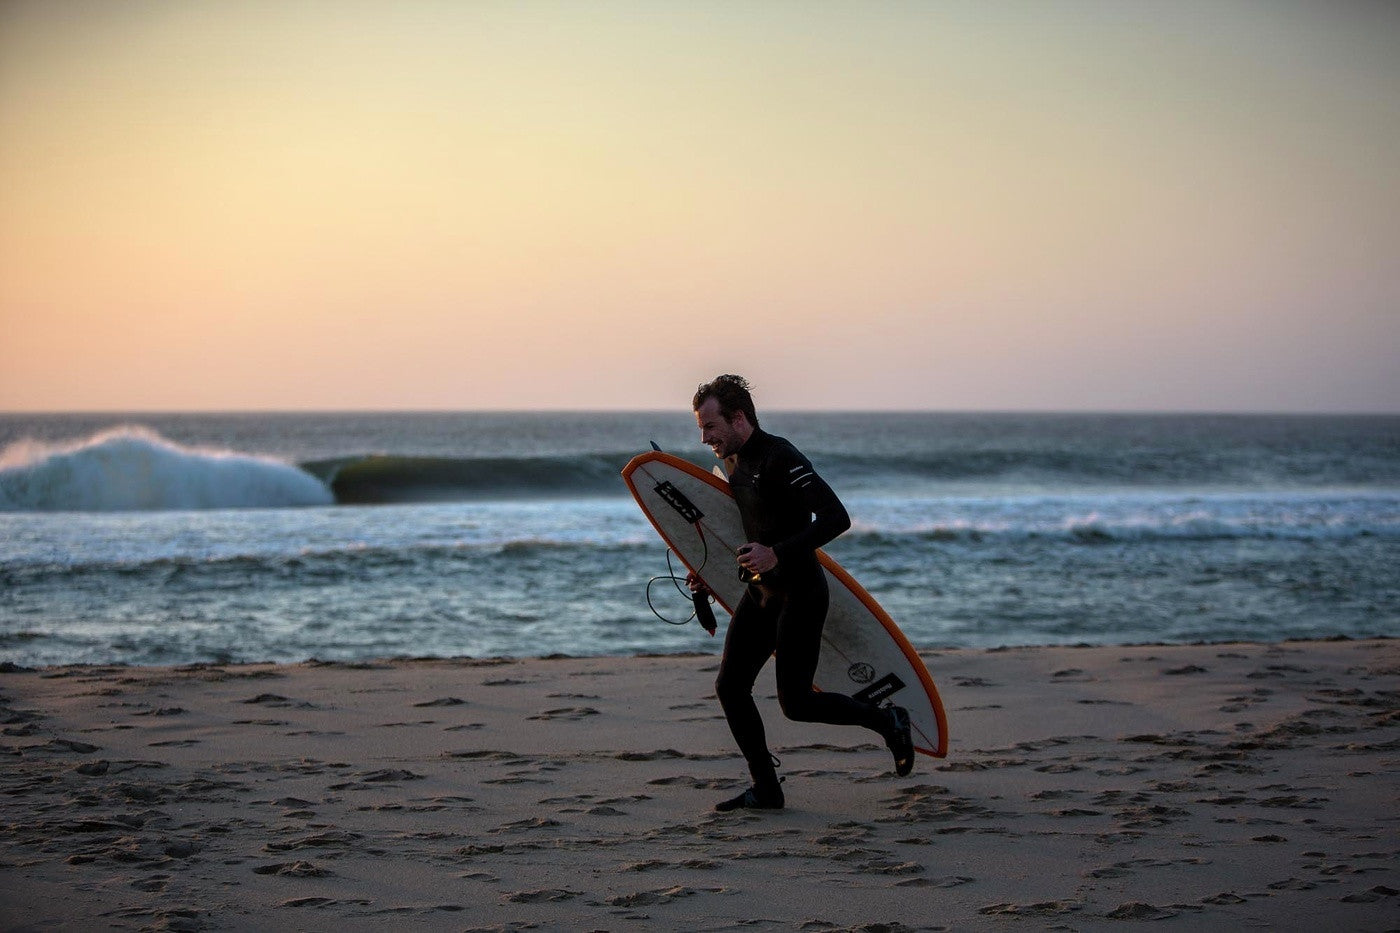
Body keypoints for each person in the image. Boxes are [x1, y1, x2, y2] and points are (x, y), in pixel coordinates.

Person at [688, 374, 914, 812]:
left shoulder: (779, 456)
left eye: (709, 427)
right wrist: (709, 572)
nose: (704, 438)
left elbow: (836, 517)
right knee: (730, 688)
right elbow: (743, 529)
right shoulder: (734, 464)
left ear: (738, 419)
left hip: (801, 593)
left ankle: (888, 720)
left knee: (797, 703)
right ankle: (767, 789)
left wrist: (777, 554)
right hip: (761, 594)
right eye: (700, 428)